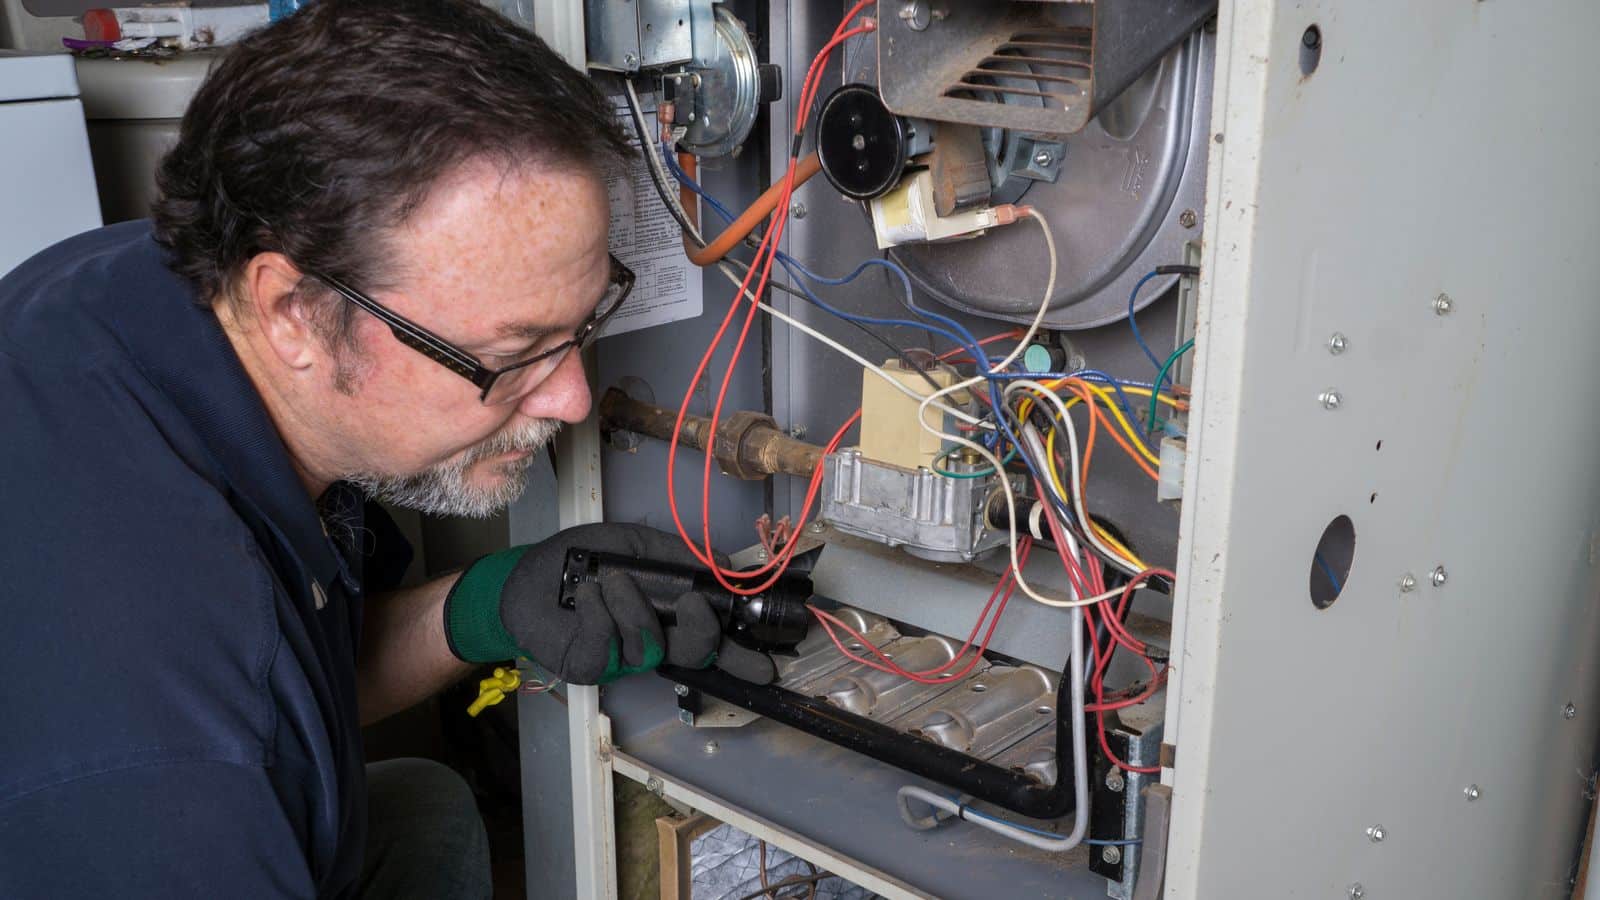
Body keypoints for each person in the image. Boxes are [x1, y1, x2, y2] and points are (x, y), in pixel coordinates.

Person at [0, 1, 772, 896]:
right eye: (511, 355)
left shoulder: (143, 282)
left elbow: (304, 673)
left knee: (424, 813)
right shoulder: (181, 762)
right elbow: (241, 707)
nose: (568, 399)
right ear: (294, 311)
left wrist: (489, 603)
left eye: (582, 325)